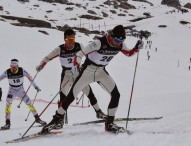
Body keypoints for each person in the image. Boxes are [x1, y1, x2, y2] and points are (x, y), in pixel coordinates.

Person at [40, 25, 143, 134]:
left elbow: (129, 53)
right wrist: (76, 65)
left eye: (121, 40)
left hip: (100, 72)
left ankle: (109, 123)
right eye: (117, 39)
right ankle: (56, 120)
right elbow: (80, 54)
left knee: (116, 94)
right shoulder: (99, 43)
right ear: (111, 36)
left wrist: (136, 48)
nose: (118, 43)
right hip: (87, 71)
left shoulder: (120, 44)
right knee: (70, 97)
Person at [36, 28, 105, 126]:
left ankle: (99, 112)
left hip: (78, 73)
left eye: (73, 39)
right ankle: (60, 120)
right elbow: (47, 58)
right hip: (66, 75)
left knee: (89, 93)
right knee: (63, 97)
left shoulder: (79, 46)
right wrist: (41, 65)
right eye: (69, 40)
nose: (71, 42)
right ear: (65, 39)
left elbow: (89, 54)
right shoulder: (60, 49)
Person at [0, 59, 46, 130]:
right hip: (11, 91)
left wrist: (35, 86)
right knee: (8, 106)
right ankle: (7, 123)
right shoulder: (7, 72)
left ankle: (37, 119)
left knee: (30, 104)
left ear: (17, 66)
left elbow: (30, 78)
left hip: (21, 91)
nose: (13, 68)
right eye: (12, 66)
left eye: (15, 66)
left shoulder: (22, 70)